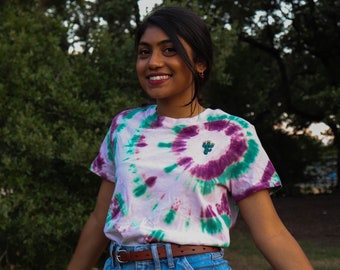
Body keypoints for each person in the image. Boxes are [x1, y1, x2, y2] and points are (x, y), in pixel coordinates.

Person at [67, 6, 313, 270]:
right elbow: (98, 218)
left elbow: (271, 233)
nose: (153, 62)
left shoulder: (232, 133)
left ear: (200, 63)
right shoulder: (124, 126)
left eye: (169, 50)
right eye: (144, 52)